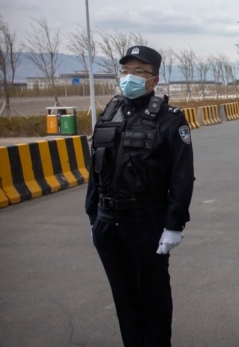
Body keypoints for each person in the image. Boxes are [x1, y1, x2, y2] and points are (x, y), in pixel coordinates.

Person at [85, 45, 194, 347]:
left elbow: (181, 177)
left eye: (139, 72)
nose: (129, 77)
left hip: (146, 222)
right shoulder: (109, 111)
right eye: (125, 71)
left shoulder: (170, 119)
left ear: (154, 80)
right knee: (124, 298)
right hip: (108, 222)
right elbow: (96, 169)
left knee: (153, 296)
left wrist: (174, 225)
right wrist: (93, 215)